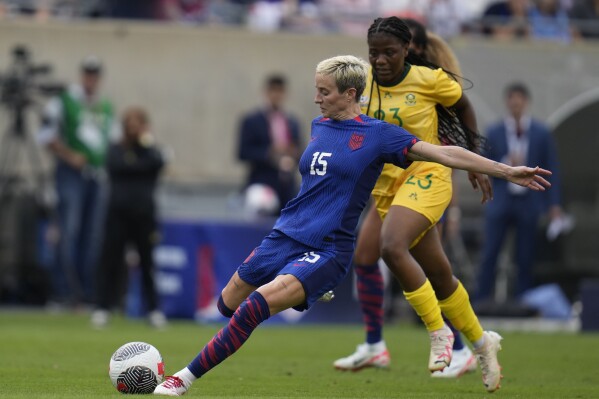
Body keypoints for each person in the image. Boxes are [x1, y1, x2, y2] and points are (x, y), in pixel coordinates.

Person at [153, 54, 551, 396]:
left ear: (349, 94)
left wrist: (504, 170)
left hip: (327, 248)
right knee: (228, 303)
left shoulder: (378, 136)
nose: (316, 98)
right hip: (285, 234)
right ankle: (309, 290)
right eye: (316, 89)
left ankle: (181, 380)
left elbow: (443, 153)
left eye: (324, 91)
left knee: (255, 308)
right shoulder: (318, 125)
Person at [331, 16, 500, 388]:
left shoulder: (430, 79)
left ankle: (439, 334)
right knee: (439, 273)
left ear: (407, 50)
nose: (380, 61)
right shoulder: (362, 85)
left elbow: (464, 108)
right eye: (374, 53)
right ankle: (480, 343)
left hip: (429, 175)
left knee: (391, 246)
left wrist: (476, 161)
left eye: (389, 53)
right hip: (387, 185)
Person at [476, 82, 563, 303]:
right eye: (512, 99)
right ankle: (481, 301)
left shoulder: (541, 132)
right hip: (501, 199)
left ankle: (524, 302)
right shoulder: (494, 132)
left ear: (525, 102)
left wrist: (553, 204)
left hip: (529, 201)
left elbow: (552, 166)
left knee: (525, 256)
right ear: (507, 102)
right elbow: (483, 164)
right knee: (490, 253)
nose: (515, 104)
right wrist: (506, 164)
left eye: (519, 99)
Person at [39, 55, 115, 307]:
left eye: (95, 75)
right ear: (82, 75)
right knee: (68, 231)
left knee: (91, 236)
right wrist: (70, 156)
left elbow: (112, 140)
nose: (91, 79)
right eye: (87, 74)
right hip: (71, 174)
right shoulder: (64, 101)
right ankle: (63, 291)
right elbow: (45, 136)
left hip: (97, 175)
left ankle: (86, 292)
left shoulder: (105, 106)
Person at [91, 107, 167, 329]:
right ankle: (102, 307)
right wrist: (137, 166)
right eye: (130, 125)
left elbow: (157, 164)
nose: (134, 129)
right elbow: (117, 166)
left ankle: (153, 310)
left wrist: (145, 149)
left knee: (147, 264)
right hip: (117, 215)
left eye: (138, 124)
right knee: (110, 261)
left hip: (143, 216)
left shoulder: (150, 150)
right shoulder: (115, 149)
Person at [237, 74, 302, 215]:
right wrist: (269, 153)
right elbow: (243, 152)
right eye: (273, 90)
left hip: (287, 186)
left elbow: (300, 151)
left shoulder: (292, 122)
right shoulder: (252, 121)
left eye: (280, 91)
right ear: (266, 92)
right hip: (262, 184)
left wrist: (293, 154)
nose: (276, 95)